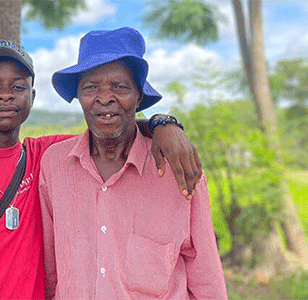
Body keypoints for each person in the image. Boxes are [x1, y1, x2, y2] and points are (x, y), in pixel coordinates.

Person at [0, 39, 202, 299]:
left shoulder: (49, 157)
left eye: (18, 86)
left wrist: (165, 123)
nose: (5, 94)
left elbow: (113, 126)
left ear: (32, 97)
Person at [39, 27, 227, 299]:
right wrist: (163, 122)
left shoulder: (178, 170)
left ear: (139, 97)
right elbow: (49, 268)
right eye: (91, 87)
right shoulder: (54, 164)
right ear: (78, 96)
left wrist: (165, 121)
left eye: (120, 86)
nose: (104, 98)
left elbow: (206, 279)